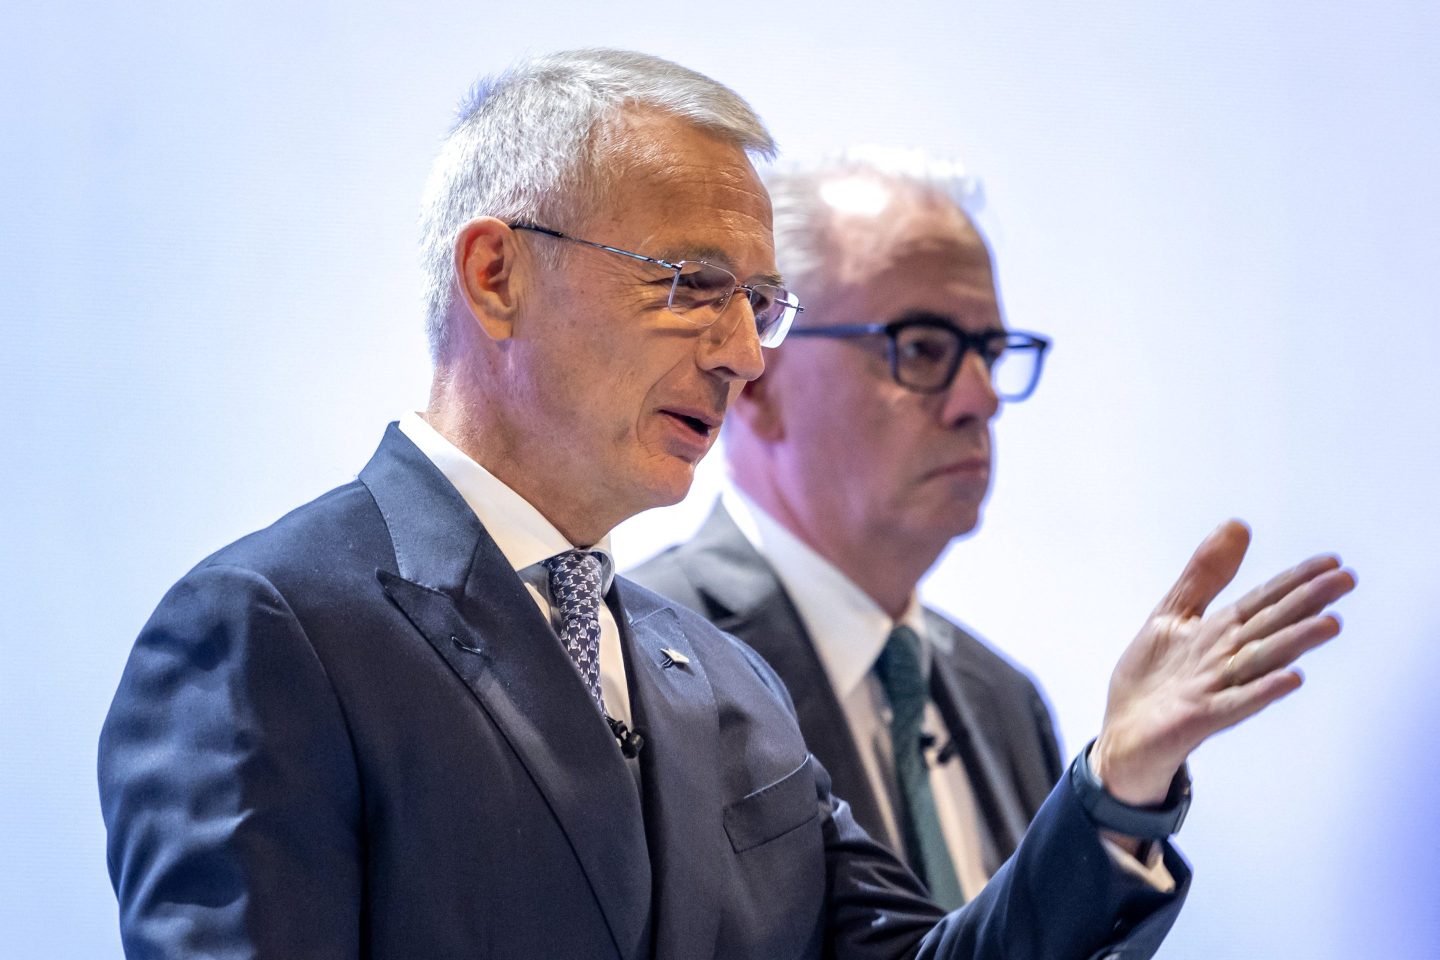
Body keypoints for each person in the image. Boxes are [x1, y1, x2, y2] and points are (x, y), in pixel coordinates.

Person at [97, 49, 1355, 960]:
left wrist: (1120, 784)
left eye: (763, 302)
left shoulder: (716, 676)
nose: (746, 352)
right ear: (495, 274)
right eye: (694, 283)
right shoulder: (269, 629)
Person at [629, 152, 1058, 905]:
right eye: (923, 348)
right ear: (758, 376)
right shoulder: (639, 667)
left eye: (990, 353)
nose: (981, 399)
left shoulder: (1005, 702)